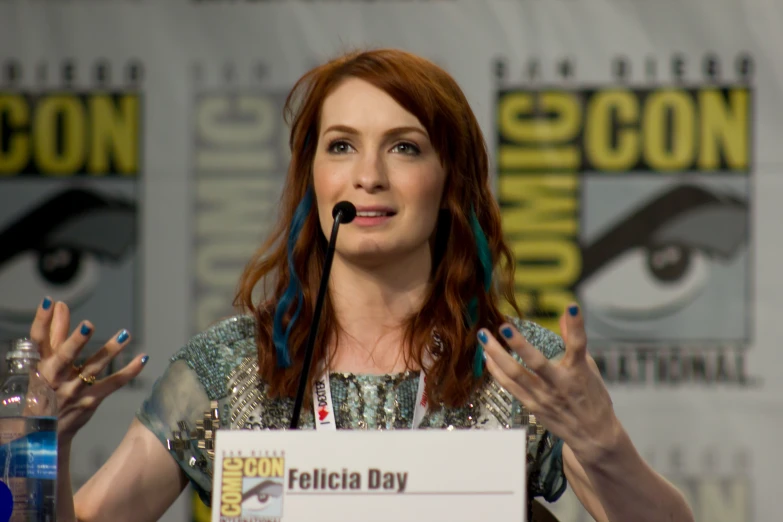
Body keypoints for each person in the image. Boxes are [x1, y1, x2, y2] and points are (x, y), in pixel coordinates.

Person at [28, 49, 695, 522]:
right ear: (310, 177)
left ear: (449, 179)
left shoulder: (515, 366)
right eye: (340, 145)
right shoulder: (228, 365)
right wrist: (41, 445)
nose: (366, 175)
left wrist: (602, 443)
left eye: (404, 147)